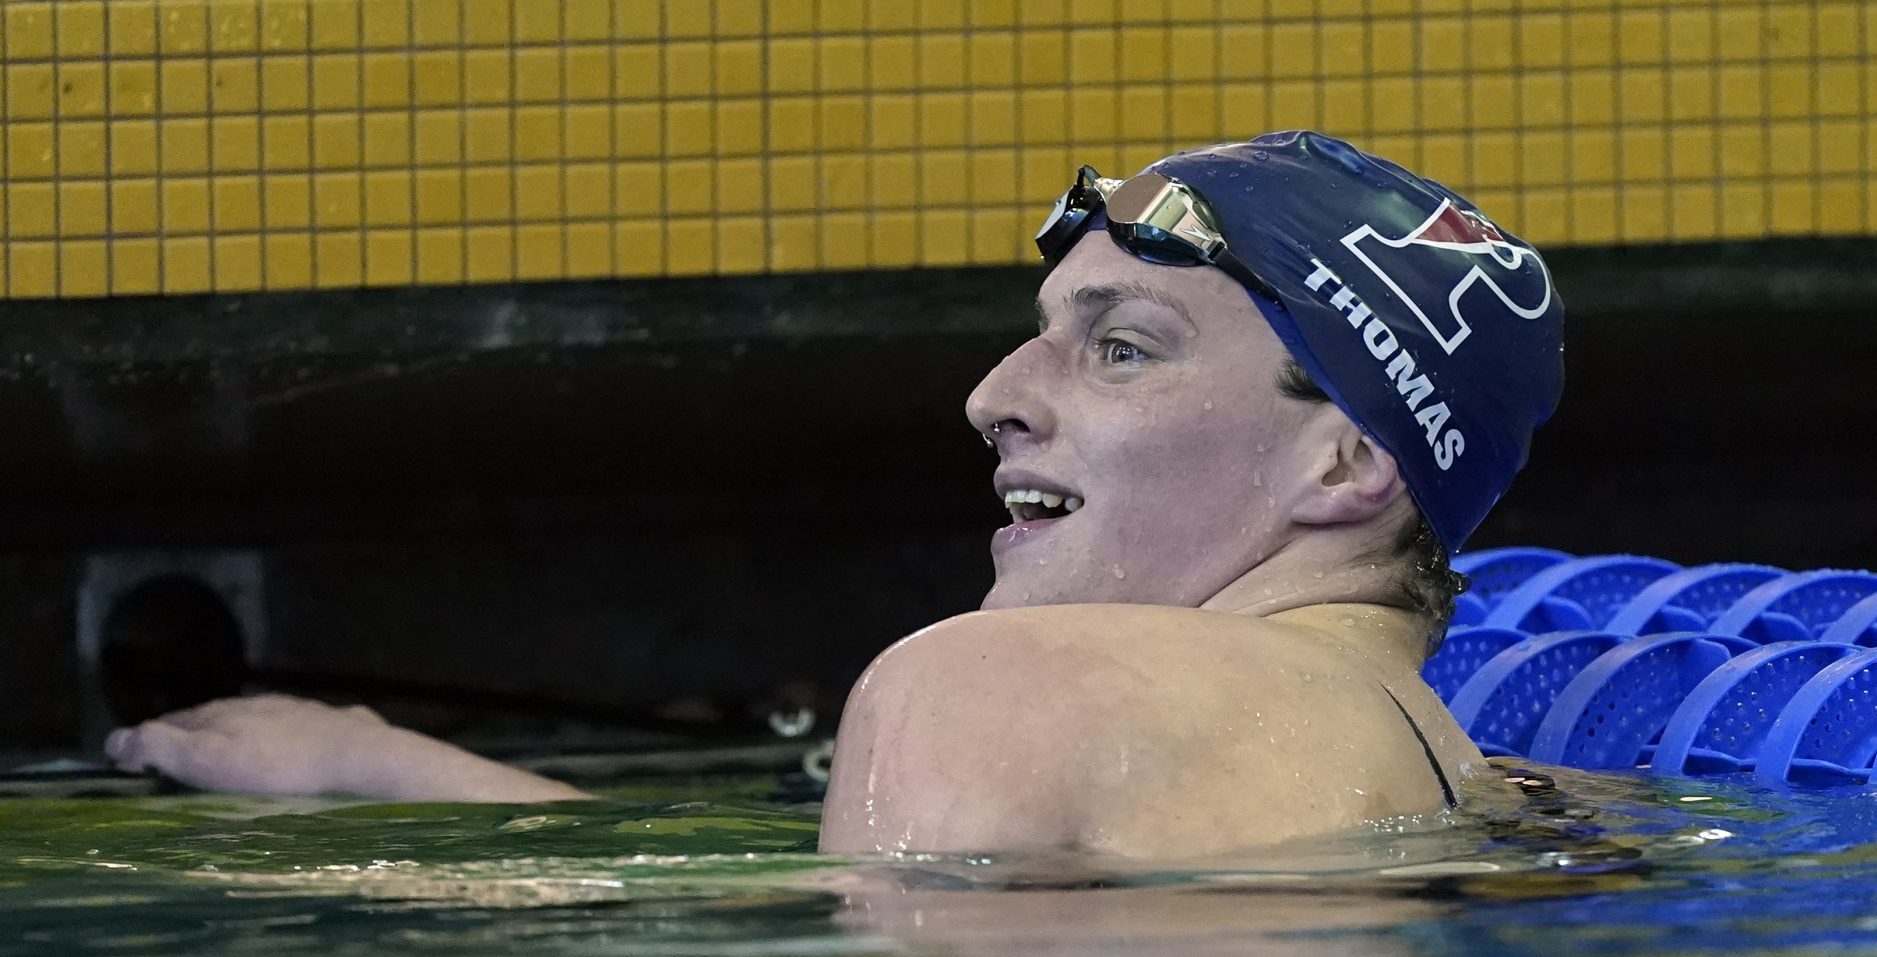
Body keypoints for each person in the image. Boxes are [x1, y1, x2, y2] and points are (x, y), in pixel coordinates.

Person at [105, 131, 1564, 859]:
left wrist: (381, 872)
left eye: (1121, 348)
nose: (995, 395)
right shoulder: (1477, 787)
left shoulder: (1009, 681)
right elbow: (866, 908)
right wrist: (387, 768)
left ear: (1348, 464)